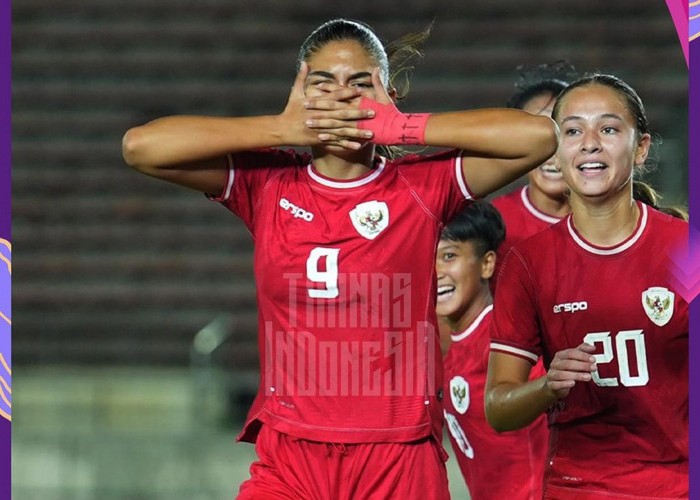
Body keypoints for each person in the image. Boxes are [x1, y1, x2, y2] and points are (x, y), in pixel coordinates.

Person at [122, 18, 558, 500]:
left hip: (396, 455)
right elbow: (141, 147)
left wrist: (401, 126)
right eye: (322, 82)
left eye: (360, 84)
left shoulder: (421, 186)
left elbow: (538, 137)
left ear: (387, 92)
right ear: (300, 91)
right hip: (290, 455)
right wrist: (279, 128)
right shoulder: (267, 184)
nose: (342, 97)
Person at [485, 74, 688, 499]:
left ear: (641, 148)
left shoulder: (686, 249)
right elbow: (498, 409)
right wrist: (548, 385)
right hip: (578, 488)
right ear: (556, 151)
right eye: (573, 130)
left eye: (609, 129)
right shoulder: (528, 262)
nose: (590, 143)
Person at [436, 202, 544, 500]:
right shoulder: (455, 345)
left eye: (448, 256)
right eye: (426, 257)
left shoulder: (512, 342)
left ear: (487, 264)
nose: (436, 272)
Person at [491, 61, 578, 291]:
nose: (552, 151)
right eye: (538, 133)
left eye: (566, 132)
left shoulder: (613, 220)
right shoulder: (495, 224)